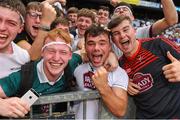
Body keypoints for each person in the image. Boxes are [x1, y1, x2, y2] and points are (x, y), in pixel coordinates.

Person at [108, 15, 180, 118]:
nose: (122, 35)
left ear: (134, 30)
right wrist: (123, 81)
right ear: (113, 41)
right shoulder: (119, 66)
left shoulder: (158, 44)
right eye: (116, 33)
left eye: (126, 29)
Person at [0, 28, 82, 117]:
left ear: (70, 55)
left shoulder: (71, 63)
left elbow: (84, 53)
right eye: (51, 51)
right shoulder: (24, 76)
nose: (56, 58)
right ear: (42, 52)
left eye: (63, 52)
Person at [0, 0, 56, 118]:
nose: (2, 27)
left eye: (11, 23)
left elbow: (33, 56)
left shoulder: (22, 56)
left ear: (20, 28)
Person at [73, 24, 129, 119]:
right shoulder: (77, 68)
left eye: (102, 43)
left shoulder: (119, 73)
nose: (96, 48)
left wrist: (103, 86)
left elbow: (120, 111)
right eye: (91, 43)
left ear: (109, 46)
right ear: (85, 46)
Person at [112, 0, 178, 57]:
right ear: (112, 18)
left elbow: (171, 20)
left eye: (125, 9)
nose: (121, 11)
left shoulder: (140, 32)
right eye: (117, 10)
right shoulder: (107, 34)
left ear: (132, 17)